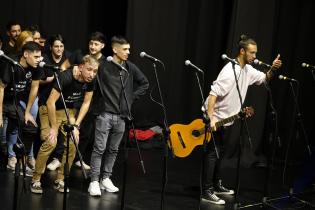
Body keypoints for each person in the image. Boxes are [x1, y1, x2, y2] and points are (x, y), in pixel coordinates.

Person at [201, 34, 282, 205]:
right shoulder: (230, 71)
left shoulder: (247, 70)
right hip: (214, 117)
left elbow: (264, 79)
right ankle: (206, 191)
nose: (255, 56)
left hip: (226, 119)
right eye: (252, 53)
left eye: (256, 53)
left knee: (220, 153)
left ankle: (216, 185)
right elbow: (213, 94)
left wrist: (273, 69)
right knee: (212, 155)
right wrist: (210, 119)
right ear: (242, 51)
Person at [87, 36, 149, 196]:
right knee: (99, 148)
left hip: (121, 117)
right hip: (104, 114)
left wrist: (131, 97)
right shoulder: (104, 66)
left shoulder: (129, 67)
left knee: (113, 149)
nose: (128, 52)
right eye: (125, 49)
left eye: (129, 49)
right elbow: (92, 83)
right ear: (115, 50)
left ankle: (105, 178)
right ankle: (94, 181)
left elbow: (145, 83)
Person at [30, 55, 99, 194]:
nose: (92, 74)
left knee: (73, 142)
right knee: (51, 141)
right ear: (80, 68)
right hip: (48, 108)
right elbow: (50, 102)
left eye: (95, 71)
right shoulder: (66, 77)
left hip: (68, 111)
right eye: (89, 70)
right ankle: (36, 179)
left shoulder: (90, 80)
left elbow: (86, 103)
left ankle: (60, 179)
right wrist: (54, 127)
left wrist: (76, 126)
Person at [0, 41, 42, 173]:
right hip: (2, 98)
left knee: (19, 124)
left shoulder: (37, 67)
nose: (39, 60)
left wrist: (28, 111)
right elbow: (1, 88)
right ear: (25, 54)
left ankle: (12, 157)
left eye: (40, 56)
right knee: (1, 129)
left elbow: (35, 87)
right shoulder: (11, 63)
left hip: (14, 100)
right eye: (36, 57)